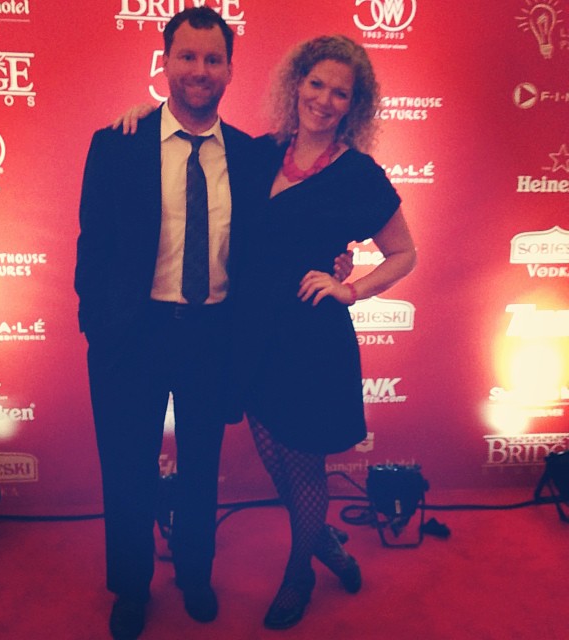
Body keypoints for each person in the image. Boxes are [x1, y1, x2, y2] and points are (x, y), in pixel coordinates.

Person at [115, 33, 416, 630]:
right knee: (279, 461)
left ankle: (300, 571)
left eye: (340, 93)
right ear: (295, 85)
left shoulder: (359, 175)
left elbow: (404, 253)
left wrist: (349, 286)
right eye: (316, 84)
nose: (324, 100)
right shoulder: (257, 154)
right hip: (248, 338)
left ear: (353, 106)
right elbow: (190, 146)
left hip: (310, 344)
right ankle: (325, 544)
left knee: (302, 468)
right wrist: (143, 118)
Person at [74, 8, 258, 640]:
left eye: (213, 59)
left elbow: (289, 229)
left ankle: (195, 572)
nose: (199, 70)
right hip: (133, 335)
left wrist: (339, 258)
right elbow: (91, 248)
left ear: (230, 69)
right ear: (165, 62)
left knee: (202, 464)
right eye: (187, 57)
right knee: (126, 467)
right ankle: (130, 587)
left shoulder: (252, 158)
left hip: (213, 335)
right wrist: (100, 327)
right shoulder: (117, 142)